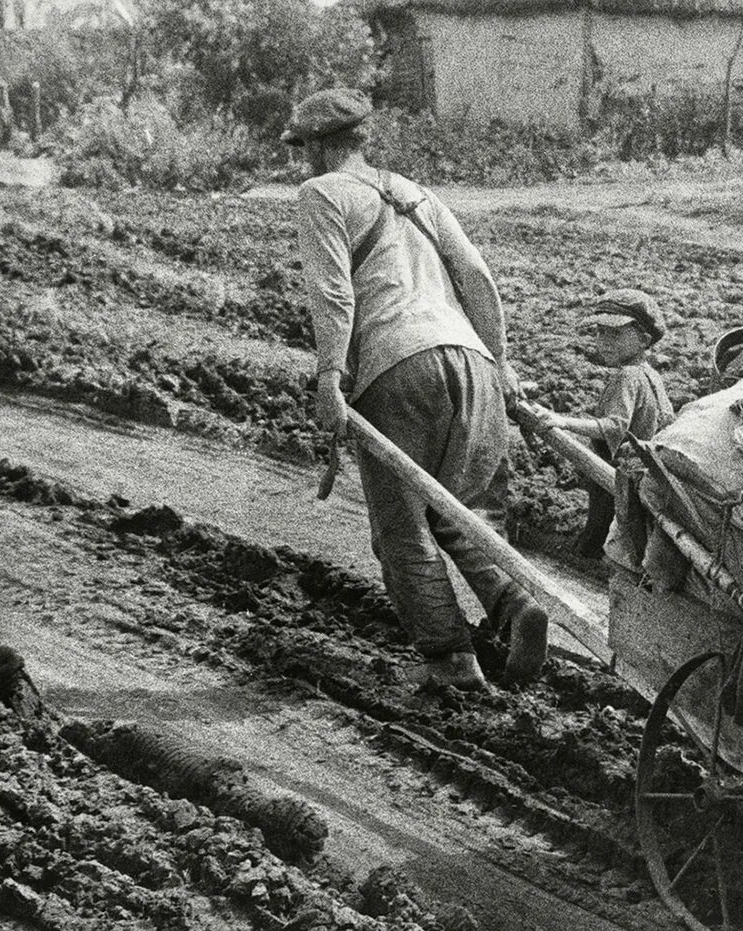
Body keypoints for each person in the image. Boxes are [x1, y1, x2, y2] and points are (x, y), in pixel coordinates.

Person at [286, 88, 548, 691]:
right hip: (471, 359)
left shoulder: (321, 194)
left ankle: (451, 663)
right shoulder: (415, 193)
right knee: (464, 507)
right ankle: (511, 602)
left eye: (303, 148)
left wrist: (329, 376)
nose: (302, 159)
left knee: (401, 526)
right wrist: (500, 362)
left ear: (320, 147)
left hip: (396, 365)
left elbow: (333, 293)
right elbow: (477, 277)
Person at [537, 289, 674, 560]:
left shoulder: (627, 376)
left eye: (616, 334)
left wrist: (562, 421)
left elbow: (614, 426)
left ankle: (585, 559)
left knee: (601, 521)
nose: (604, 341)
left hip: (620, 469)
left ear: (644, 340)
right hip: (645, 469)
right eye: (600, 332)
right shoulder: (651, 375)